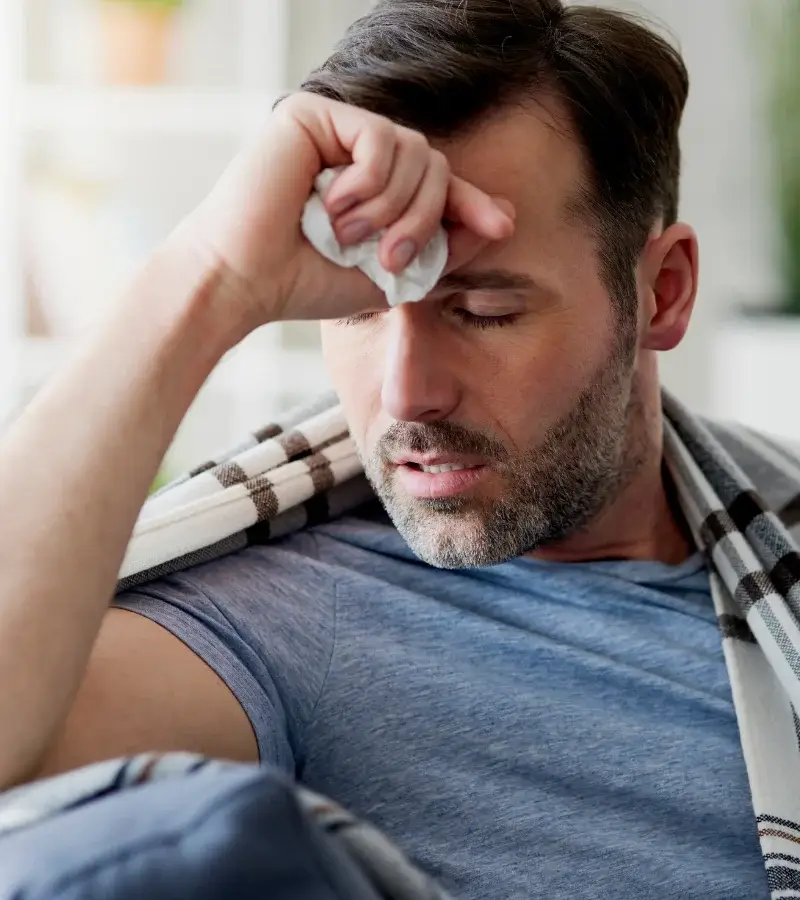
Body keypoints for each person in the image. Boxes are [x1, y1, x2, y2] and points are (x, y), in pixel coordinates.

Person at [0, 0, 777, 897]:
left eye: (485, 312)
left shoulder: (773, 529)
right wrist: (209, 276)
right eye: (357, 309)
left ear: (664, 294)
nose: (407, 393)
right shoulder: (287, 626)